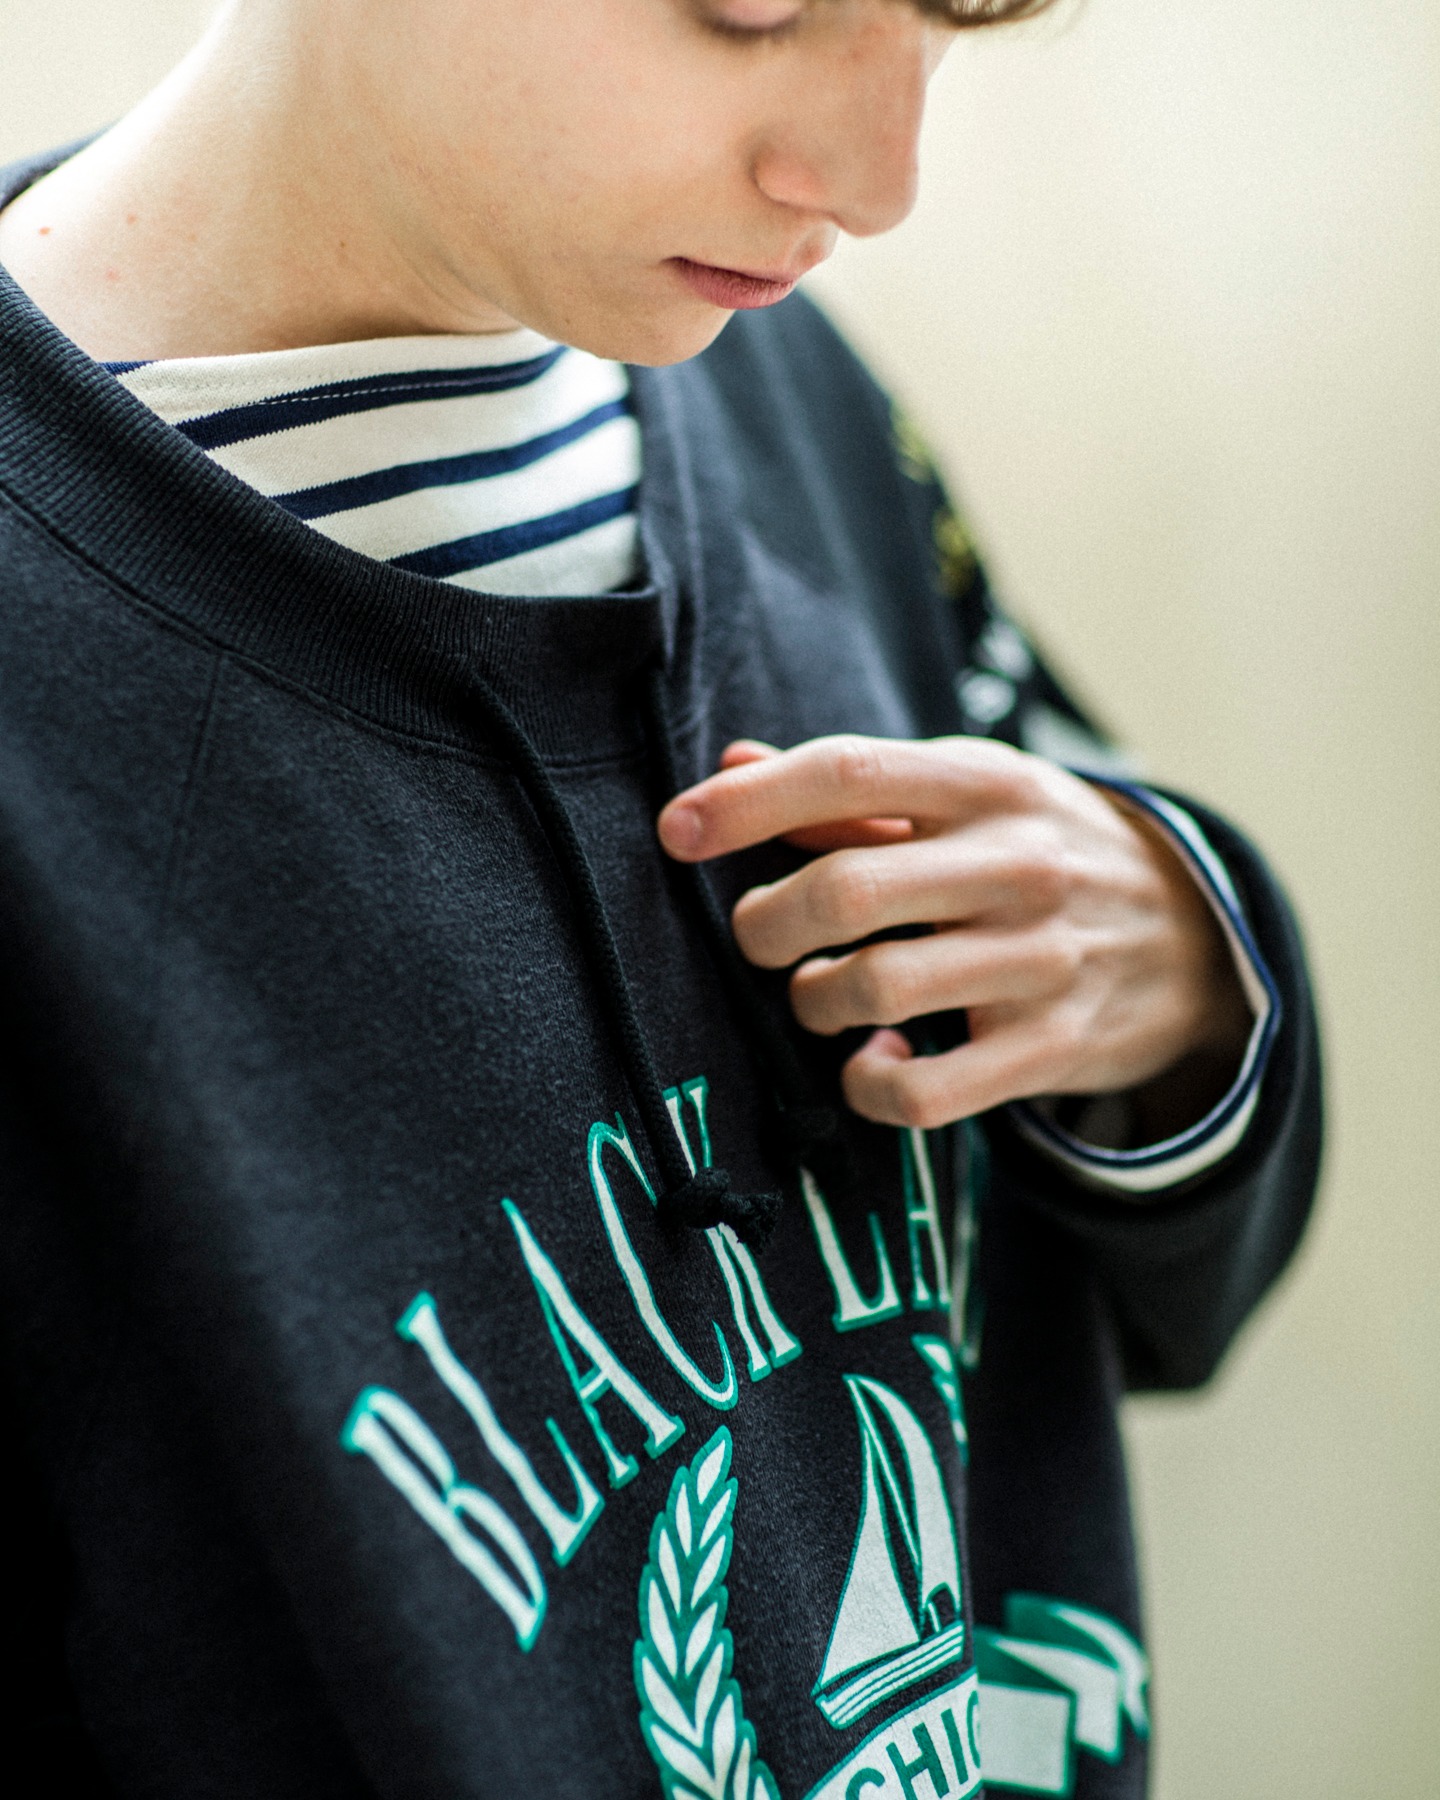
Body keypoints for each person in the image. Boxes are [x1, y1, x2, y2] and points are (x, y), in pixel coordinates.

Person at [0, 2, 1320, 1796]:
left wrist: (1189, 974)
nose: (876, 180)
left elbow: (1157, 1281)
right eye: (756, 7)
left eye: (952, 16)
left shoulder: (801, 413)